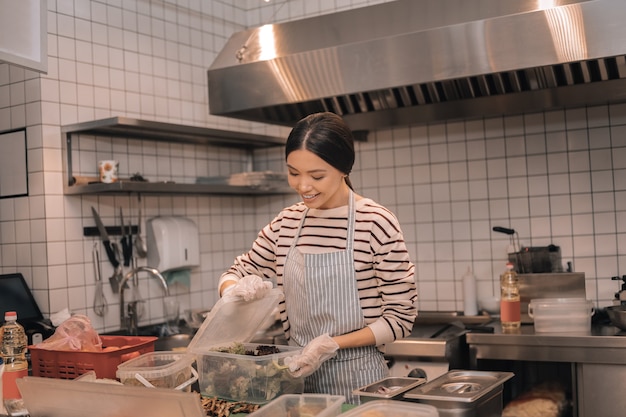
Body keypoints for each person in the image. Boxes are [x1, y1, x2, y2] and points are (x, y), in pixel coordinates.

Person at [218, 111, 418, 403]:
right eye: (294, 173)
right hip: (297, 379)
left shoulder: (375, 221)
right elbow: (236, 270)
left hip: (360, 382)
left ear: (344, 168)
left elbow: (400, 319)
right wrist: (234, 290)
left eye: (317, 175)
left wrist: (330, 345)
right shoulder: (286, 222)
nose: (303, 187)